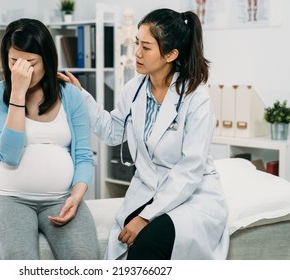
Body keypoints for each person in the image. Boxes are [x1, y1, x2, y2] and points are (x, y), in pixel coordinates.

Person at [58, 8, 229, 260]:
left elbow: (190, 170)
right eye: (137, 43)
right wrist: (82, 96)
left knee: (146, 243)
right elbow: (113, 132)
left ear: (171, 54)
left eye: (146, 47)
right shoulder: (134, 89)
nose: (136, 53)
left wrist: (146, 216)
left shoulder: (196, 97)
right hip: (148, 189)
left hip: (192, 196)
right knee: (127, 240)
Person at [0, 18, 99, 260]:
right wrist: (18, 93)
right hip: (7, 199)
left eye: (31, 62)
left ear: (47, 60)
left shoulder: (71, 95)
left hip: (60, 199)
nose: (23, 70)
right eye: (14, 62)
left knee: (85, 262)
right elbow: (9, 155)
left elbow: (83, 154)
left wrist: (77, 195)